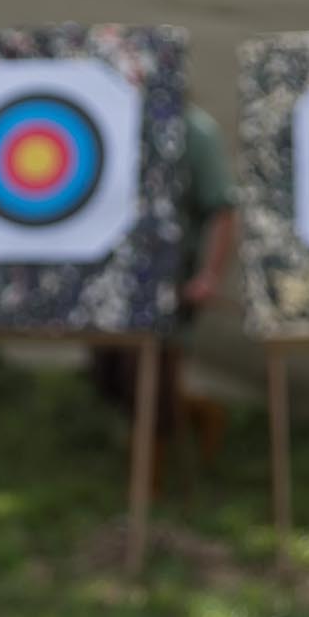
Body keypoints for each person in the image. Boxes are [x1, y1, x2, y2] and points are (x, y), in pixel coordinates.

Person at [91, 99, 238, 470]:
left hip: (169, 285)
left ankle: (149, 481)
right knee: (109, 377)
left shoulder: (194, 130)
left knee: (149, 380)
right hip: (113, 283)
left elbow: (222, 207)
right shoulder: (109, 120)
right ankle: (196, 413)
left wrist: (208, 276)